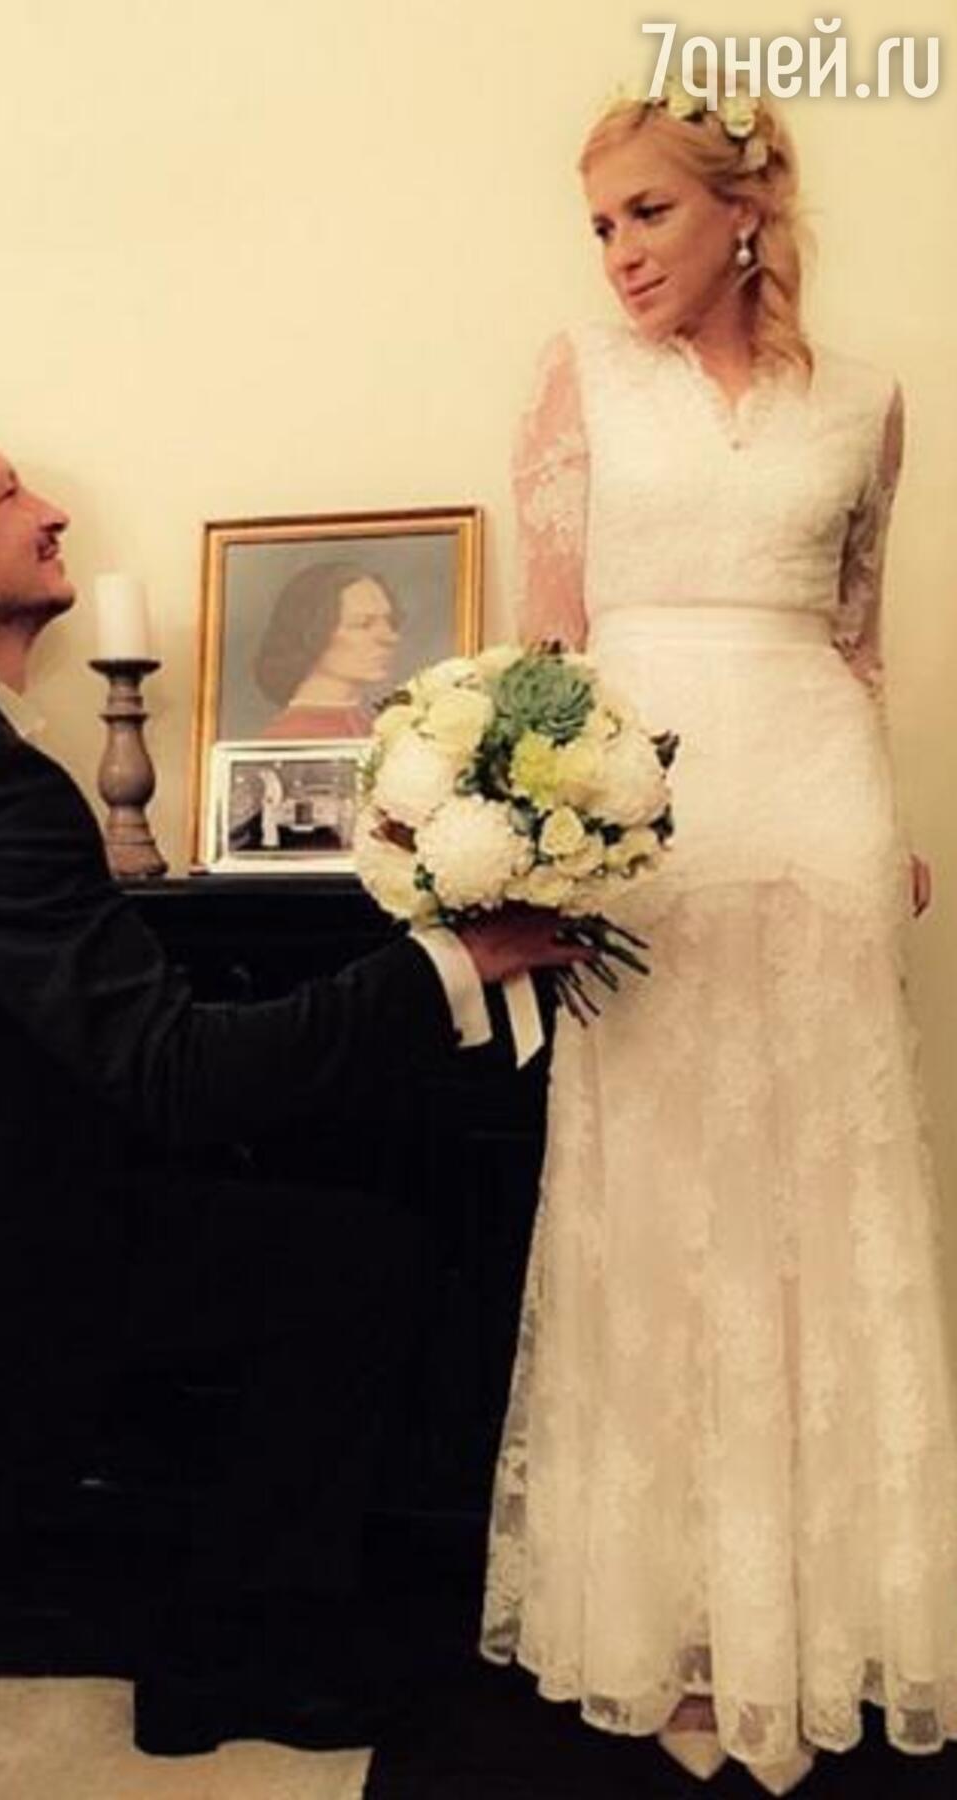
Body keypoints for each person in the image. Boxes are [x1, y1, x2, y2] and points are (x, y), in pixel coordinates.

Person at [0, 394, 587, 1797]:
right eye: (7, 494)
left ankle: (226, 1650)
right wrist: (455, 960)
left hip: (30, 1235)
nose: (52, 512)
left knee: (345, 1259)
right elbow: (178, 1072)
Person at [479, 82, 956, 1796]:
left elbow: (858, 643)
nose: (618, 254)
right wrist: (527, 839)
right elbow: (546, 649)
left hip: (816, 823)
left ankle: (820, 1625)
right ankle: (674, 1636)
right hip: (649, 846)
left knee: (821, 1213)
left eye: (649, 213)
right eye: (601, 224)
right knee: (660, 1217)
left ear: (743, 212)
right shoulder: (581, 379)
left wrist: (886, 837)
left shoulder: (871, 404)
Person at [254, 561, 400, 739]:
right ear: (312, 632)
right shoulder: (293, 735)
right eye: (363, 624)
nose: (390, 637)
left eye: (390, 622)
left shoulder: (365, 724)